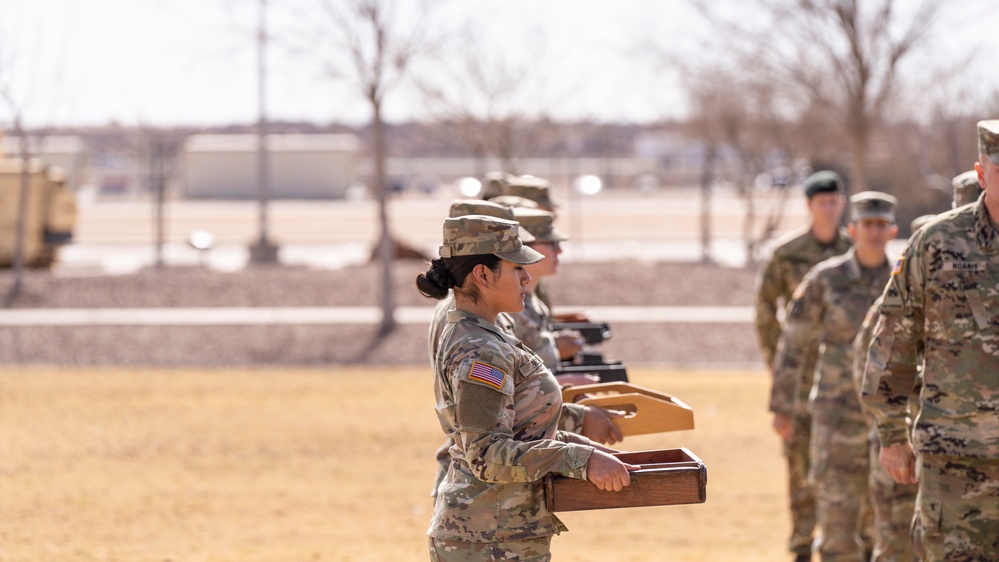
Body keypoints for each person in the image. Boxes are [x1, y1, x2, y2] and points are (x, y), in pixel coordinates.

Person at [418, 214, 637, 561]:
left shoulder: (488, 336)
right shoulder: (480, 351)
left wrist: (579, 443)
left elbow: (517, 428)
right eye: (516, 268)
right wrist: (579, 459)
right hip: (485, 540)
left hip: (500, 533)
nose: (526, 277)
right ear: (483, 274)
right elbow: (486, 455)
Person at [861, 120, 999, 561]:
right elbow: (893, 338)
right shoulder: (937, 243)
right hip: (956, 464)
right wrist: (891, 432)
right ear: (981, 174)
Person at [773, 192, 898, 561]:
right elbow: (792, 345)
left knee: (886, 529)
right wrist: (782, 406)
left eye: (881, 226)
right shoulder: (826, 279)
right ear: (852, 229)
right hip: (836, 418)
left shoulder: (904, 280)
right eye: (867, 225)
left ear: (892, 231)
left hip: (888, 425)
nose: (873, 233)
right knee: (837, 525)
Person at [755, 170, 854, 562]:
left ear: (842, 203)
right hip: (799, 379)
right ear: (810, 206)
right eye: (822, 202)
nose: (830, 208)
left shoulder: (854, 250)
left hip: (843, 380)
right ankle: (801, 547)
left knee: (849, 467)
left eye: (835, 201)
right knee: (800, 469)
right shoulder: (787, 253)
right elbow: (765, 310)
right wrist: (777, 364)